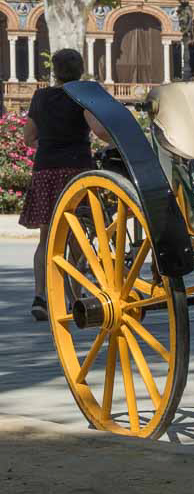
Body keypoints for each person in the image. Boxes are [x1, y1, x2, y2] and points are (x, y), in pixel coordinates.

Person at [20, 48, 111, 320]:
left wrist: (50, 145)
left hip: (46, 169)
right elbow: (99, 129)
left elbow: (28, 137)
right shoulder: (81, 95)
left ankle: (40, 297)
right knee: (76, 237)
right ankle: (74, 297)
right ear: (80, 69)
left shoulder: (41, 97)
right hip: (76, 171)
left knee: (46, 239)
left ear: (54, 71)